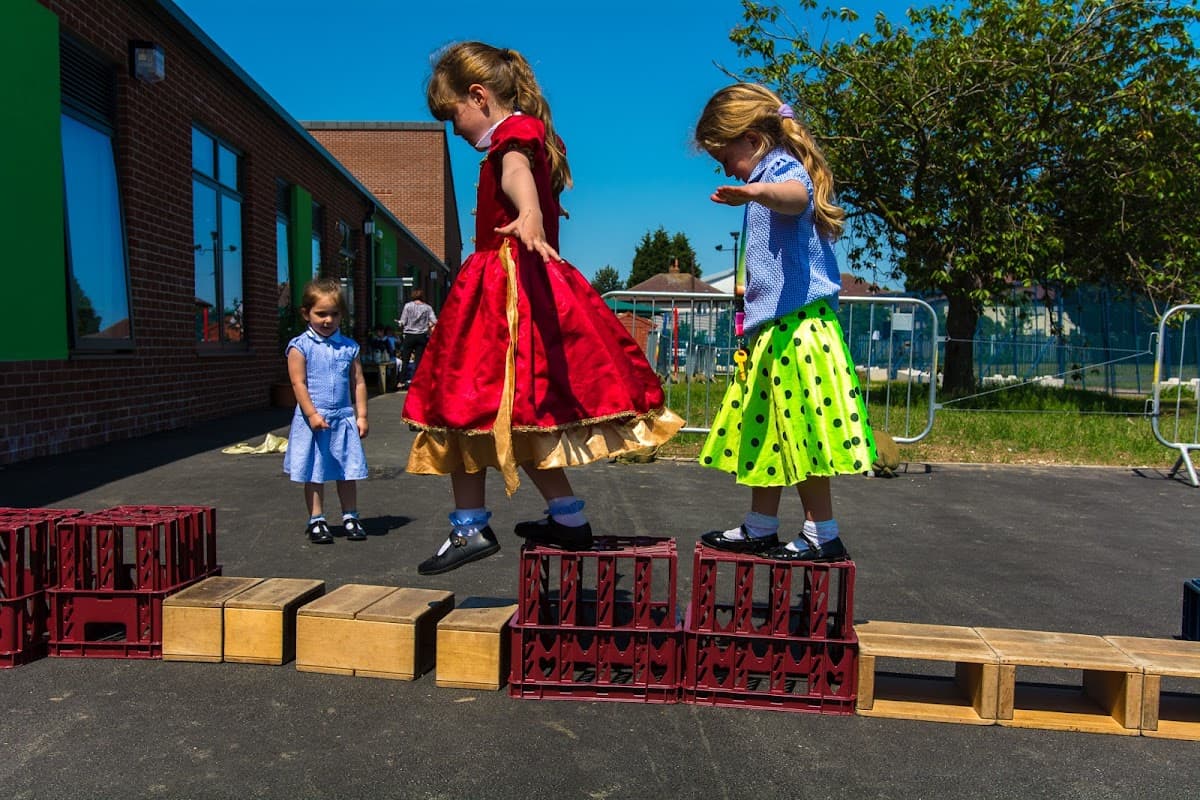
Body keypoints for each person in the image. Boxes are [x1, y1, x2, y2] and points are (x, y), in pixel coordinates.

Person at [405, 41, 683, 575]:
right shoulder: (535, 135)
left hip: (501, 289)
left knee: (462, 402)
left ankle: (469, 525)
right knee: (523, 414)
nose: (455, 129)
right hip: (521, 286)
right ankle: (568, 519)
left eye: (454, 115)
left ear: (479, 97)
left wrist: (528, 209)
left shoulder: (514, 135)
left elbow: (515, 171)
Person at [693, 83, 876, 562]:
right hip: (774, 329)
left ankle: (822, 531)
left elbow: (797, 197)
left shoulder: (779, 171)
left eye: (724, 155)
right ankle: (760, 524)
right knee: (766, 430)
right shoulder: (765, 174)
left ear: (752, 139)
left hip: (800, 328)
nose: (724, 169)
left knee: (804, 431)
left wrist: (754, 190)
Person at [283, 278, 370, 544]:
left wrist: (362, 414)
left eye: (334, 314)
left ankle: (350, 516)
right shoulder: (300, 346)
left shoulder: (348, 346)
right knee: (315, 471)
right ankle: (317, 519)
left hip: (342, 417)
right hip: (314, 419)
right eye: (321, 314)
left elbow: (358, 382)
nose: (327, 320)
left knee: (347, 470)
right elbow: (299, 383)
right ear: (306, 313)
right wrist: (311, 414)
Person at [395, 289, 437, 388]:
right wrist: (428, 325)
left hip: (409, 335)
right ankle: (417, 381)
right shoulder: (427, 308)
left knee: (405, 359)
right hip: (421, 336)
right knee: (419, 360)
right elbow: (434, 320)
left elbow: (403, 321)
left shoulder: (408, 306)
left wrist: (399, 323)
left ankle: (401, 381)